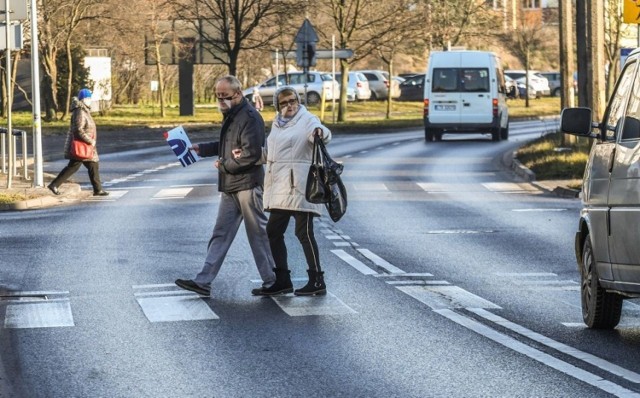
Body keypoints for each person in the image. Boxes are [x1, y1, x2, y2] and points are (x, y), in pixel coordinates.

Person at [175, 75, 276, 297]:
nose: (221, 100)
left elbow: (252, 154)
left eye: (225, 96)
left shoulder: (250, 117)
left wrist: (224, 165)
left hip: (248, 185)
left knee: (257, 234)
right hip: (231, 186)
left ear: (238, 94)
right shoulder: (232, 114)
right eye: (218, 96)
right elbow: (228, 146)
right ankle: (203, 281)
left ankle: (273, 281)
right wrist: (200, 149)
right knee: (220, 234)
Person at [247, 86, 331, 296]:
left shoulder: (307, 119)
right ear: (277, 106)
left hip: (300, 186)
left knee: (304, 233)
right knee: (273, 233)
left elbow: (321, 132)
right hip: (280, 188)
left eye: (292, 100)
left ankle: (317, 279)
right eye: (284, 103)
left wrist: (320, 132)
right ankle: (282, 280)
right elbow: (273, 154)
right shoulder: (277, 124)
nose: (289, 105)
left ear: (298, 101)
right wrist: (251, 155)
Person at [48, 88, 109, 197]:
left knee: (91, 165)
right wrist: (90, 141)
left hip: (85, 146)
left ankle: (97, 189)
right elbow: (78, 129)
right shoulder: (80, 111)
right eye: (88, 98)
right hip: (82, 145)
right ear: (83, 99)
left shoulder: (84, 110)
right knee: (78, 166)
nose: (90, 100)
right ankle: (54, 185)